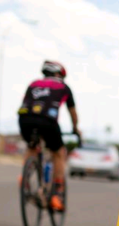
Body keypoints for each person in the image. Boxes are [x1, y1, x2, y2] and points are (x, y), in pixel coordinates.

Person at [18, 60, 80, 211]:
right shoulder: (63, 87)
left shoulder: (33, 84)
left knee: (32, 146)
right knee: (58, 152)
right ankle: (56, 195)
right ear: (59, 74)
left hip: (25, 119)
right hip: (47, 121)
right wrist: (75, 128)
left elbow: (25, 102)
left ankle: (23, 178)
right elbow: (72, 112)